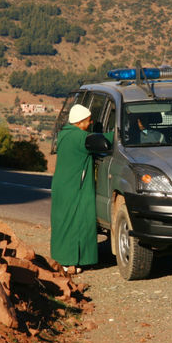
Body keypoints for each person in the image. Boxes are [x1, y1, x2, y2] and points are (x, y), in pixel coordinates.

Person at [50, 104, 111, 275]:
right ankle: (70, 261)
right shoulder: (79, 137)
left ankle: (64, 259)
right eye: (88, 120)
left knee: (64, 222)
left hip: (63, 185)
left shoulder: (65, 134)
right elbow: (105, 140)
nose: (90, 122)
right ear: (80, 121)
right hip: (75, 186)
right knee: (76, 222)